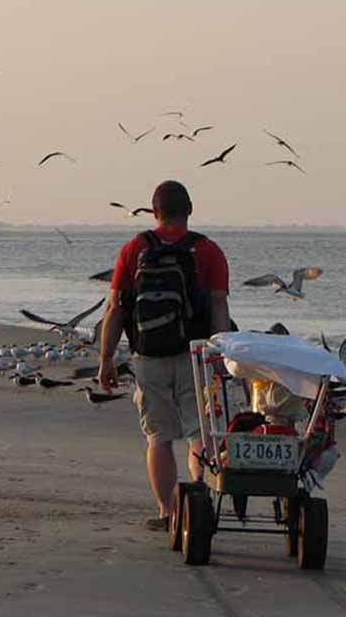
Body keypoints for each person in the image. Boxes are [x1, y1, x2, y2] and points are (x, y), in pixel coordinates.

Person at [98, 180, 232, 531]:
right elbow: (219, 305)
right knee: (198, 431)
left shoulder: (134, 248)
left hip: (148, 356)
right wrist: (220, 352)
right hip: (195, 354)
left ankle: (167, 512)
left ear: (154, 211)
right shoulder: (207, 250)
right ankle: (198, 502)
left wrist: (106, 358)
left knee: (158, 437)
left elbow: (115, 308)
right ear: (189, 210)